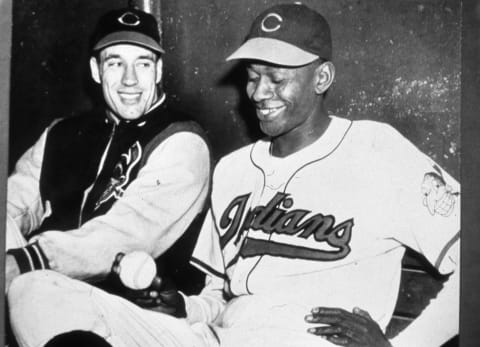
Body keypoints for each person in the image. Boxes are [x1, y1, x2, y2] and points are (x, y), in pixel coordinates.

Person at [7, 3, 459, 347]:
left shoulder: (376, 149)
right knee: (35, 293)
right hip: (219, 337)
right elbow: (219, 294)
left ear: (321, 78)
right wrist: (181, 307)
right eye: (252, 76)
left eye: (277, 78)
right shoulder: (234, 170)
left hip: (303, 340)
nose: (259, 93)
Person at [5, 8, 210, 293]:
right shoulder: (62, 133)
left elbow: (123, 235)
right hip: (41, 282)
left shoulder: (181, 139)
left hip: (126, 305)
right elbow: (16, 202)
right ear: (95, 70)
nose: (130, 80)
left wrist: (28, 259)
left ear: (159, 70)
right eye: (115, 63)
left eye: (143, 64)